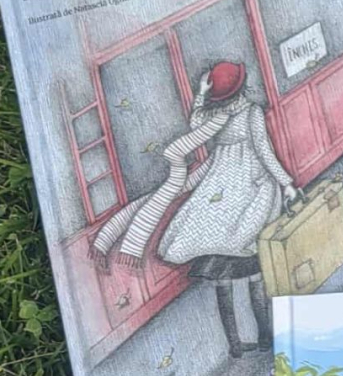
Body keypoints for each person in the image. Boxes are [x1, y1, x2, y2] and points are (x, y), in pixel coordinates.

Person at [92, 60, 296, 357]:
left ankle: (235, 344)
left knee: (223, 278)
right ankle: (266, 337)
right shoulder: (251, 112)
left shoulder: (214, 115)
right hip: (249, 194)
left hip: (217, 195)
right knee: (254, 272)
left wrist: (201, 93)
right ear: (241, 87)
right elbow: (264, 152)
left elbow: (195, 121)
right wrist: (286, 183)